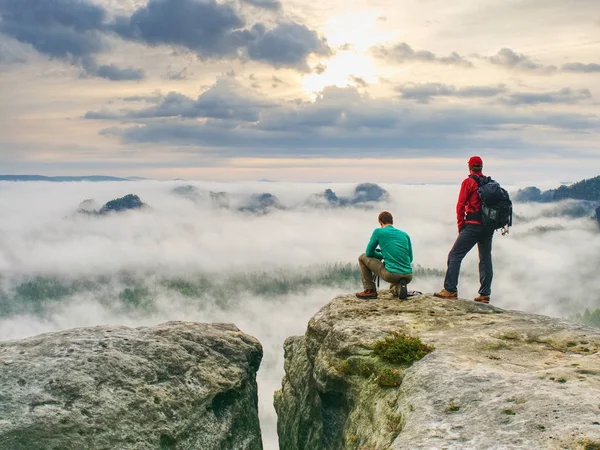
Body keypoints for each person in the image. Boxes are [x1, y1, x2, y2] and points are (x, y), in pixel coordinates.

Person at [434, 156, 494, 303]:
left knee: (454, 255)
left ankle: (450, 290)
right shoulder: (489, 183)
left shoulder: (468, 182)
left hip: (473, 225)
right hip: (488, 227)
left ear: (469, 167)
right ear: (481, 167)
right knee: (485, 259)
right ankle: (485, 294)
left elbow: (460, 206)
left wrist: (461, 227)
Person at [356, 211, 413, 300]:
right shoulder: (405, 235)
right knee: (392, 288)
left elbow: (368, 253)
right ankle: (398, 288)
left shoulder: (378, 232)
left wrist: (381, 255)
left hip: (391, 275)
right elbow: (410, 259)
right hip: (408, 275)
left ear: (380, 222)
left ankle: (369, 290)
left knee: (362, 257)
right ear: (392, 221)